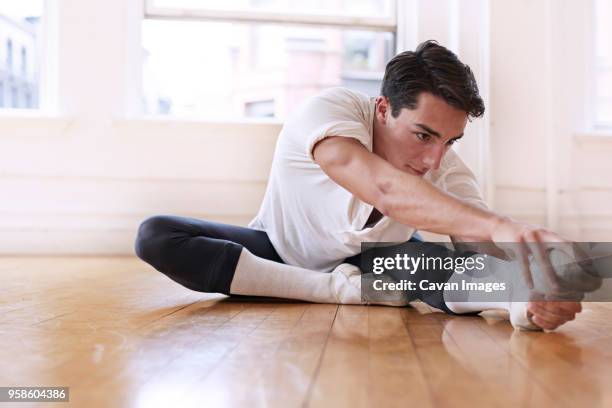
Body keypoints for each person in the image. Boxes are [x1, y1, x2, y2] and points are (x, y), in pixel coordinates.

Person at [135, 40, 583, 331]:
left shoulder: (444, 162)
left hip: (379, 265)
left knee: (430, 261)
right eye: (423, 135)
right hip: (280, 251)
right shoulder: (331, 111)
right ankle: (335, 290)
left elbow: (475, 245)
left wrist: (527, 294)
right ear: (383, 107)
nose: (434, 159)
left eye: (451, 141)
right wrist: (502, 225)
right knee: (157, 235)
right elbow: (381, 187)